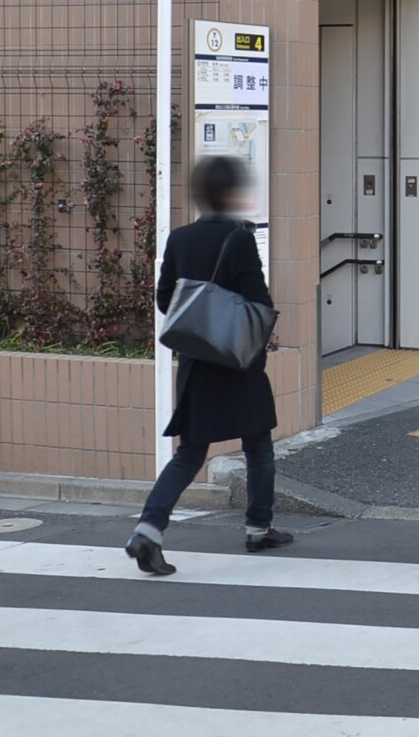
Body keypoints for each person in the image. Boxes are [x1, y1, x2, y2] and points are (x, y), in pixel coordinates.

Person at [126, 156, 289, 576]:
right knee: (258, 444)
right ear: (232, 193)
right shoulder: (240, 239)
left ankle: (148, 530)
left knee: (190, 454)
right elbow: (260, 304)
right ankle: (258, 528)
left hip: (197, 363)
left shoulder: (179, 240)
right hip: (237, 362)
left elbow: (166, 301)